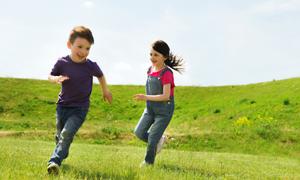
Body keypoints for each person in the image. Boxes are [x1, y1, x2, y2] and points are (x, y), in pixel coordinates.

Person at [47, 26, 112, 175]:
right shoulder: (62, 62)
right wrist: (56, 78)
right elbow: (50, 75)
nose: (84, 51)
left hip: (80, 108)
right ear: (69, 45)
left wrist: (105, 90)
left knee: (66, 133)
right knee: (60, 135)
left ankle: (54, 161)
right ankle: (62, 151)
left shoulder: (90, 66)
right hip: (62, 106)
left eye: (88, 48)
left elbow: (101, 76)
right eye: (80, 47)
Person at [133, 40, 184, 167]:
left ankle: (148, 163)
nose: (152, 58)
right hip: (150, 109)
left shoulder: (167, 73)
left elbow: (166, 96)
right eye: (151, 54)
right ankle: (159, 140)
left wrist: (145, 97)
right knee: (139, 132)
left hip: (164, 111)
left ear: (164, 57)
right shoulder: (150, 70)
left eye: (156, 55)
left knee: (152, 139)